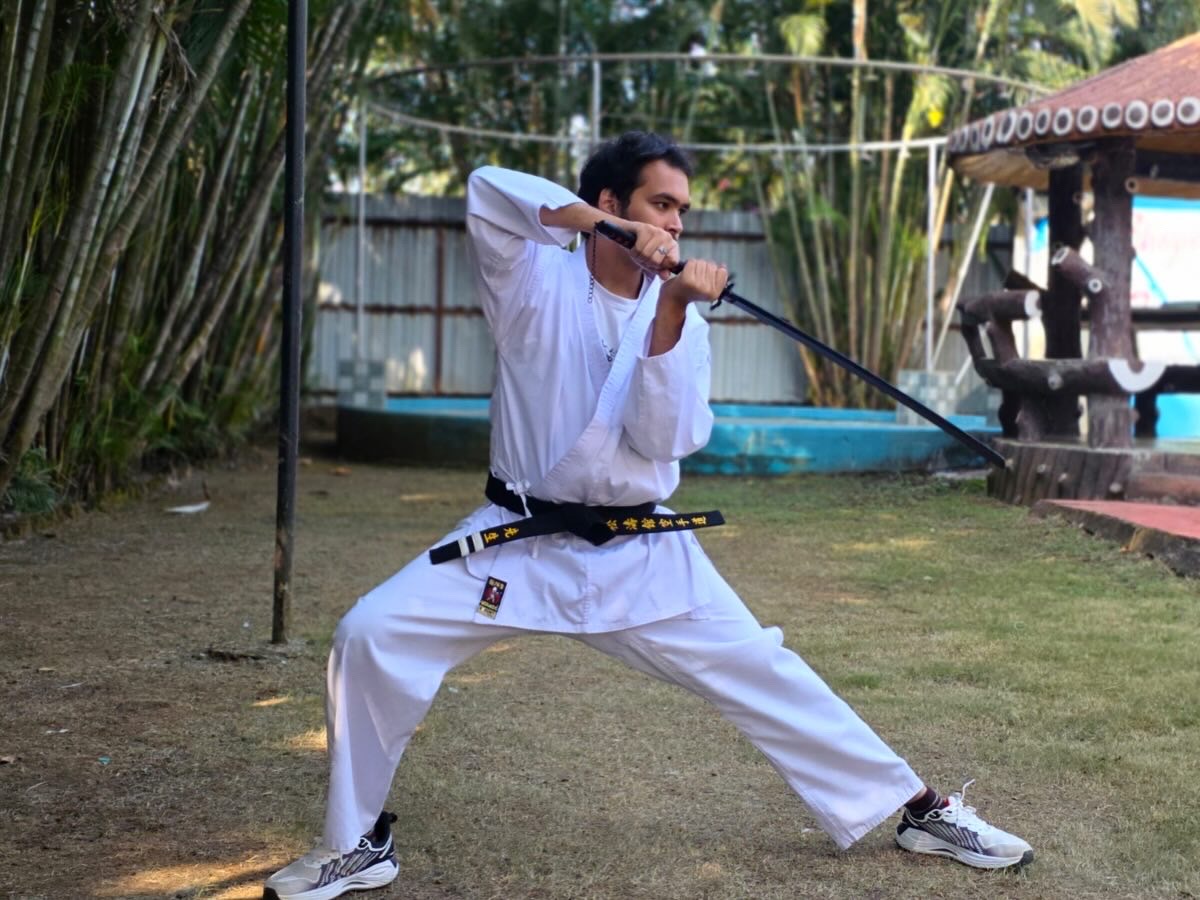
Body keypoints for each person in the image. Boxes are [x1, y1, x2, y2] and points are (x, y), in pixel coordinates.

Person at [263, 132, 1033, 900]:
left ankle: (922, 810)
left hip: (637, 548)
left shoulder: (686, 320)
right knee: (370, 633)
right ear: (609, 203)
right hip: (515, 538)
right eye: (660, 204)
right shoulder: (528, 278)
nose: (676, 224)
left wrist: (670, 310)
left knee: (764, 670)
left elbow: (665, 439)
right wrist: (612, 233)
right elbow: (489, 186)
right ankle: (354, 843)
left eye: (682, 210)